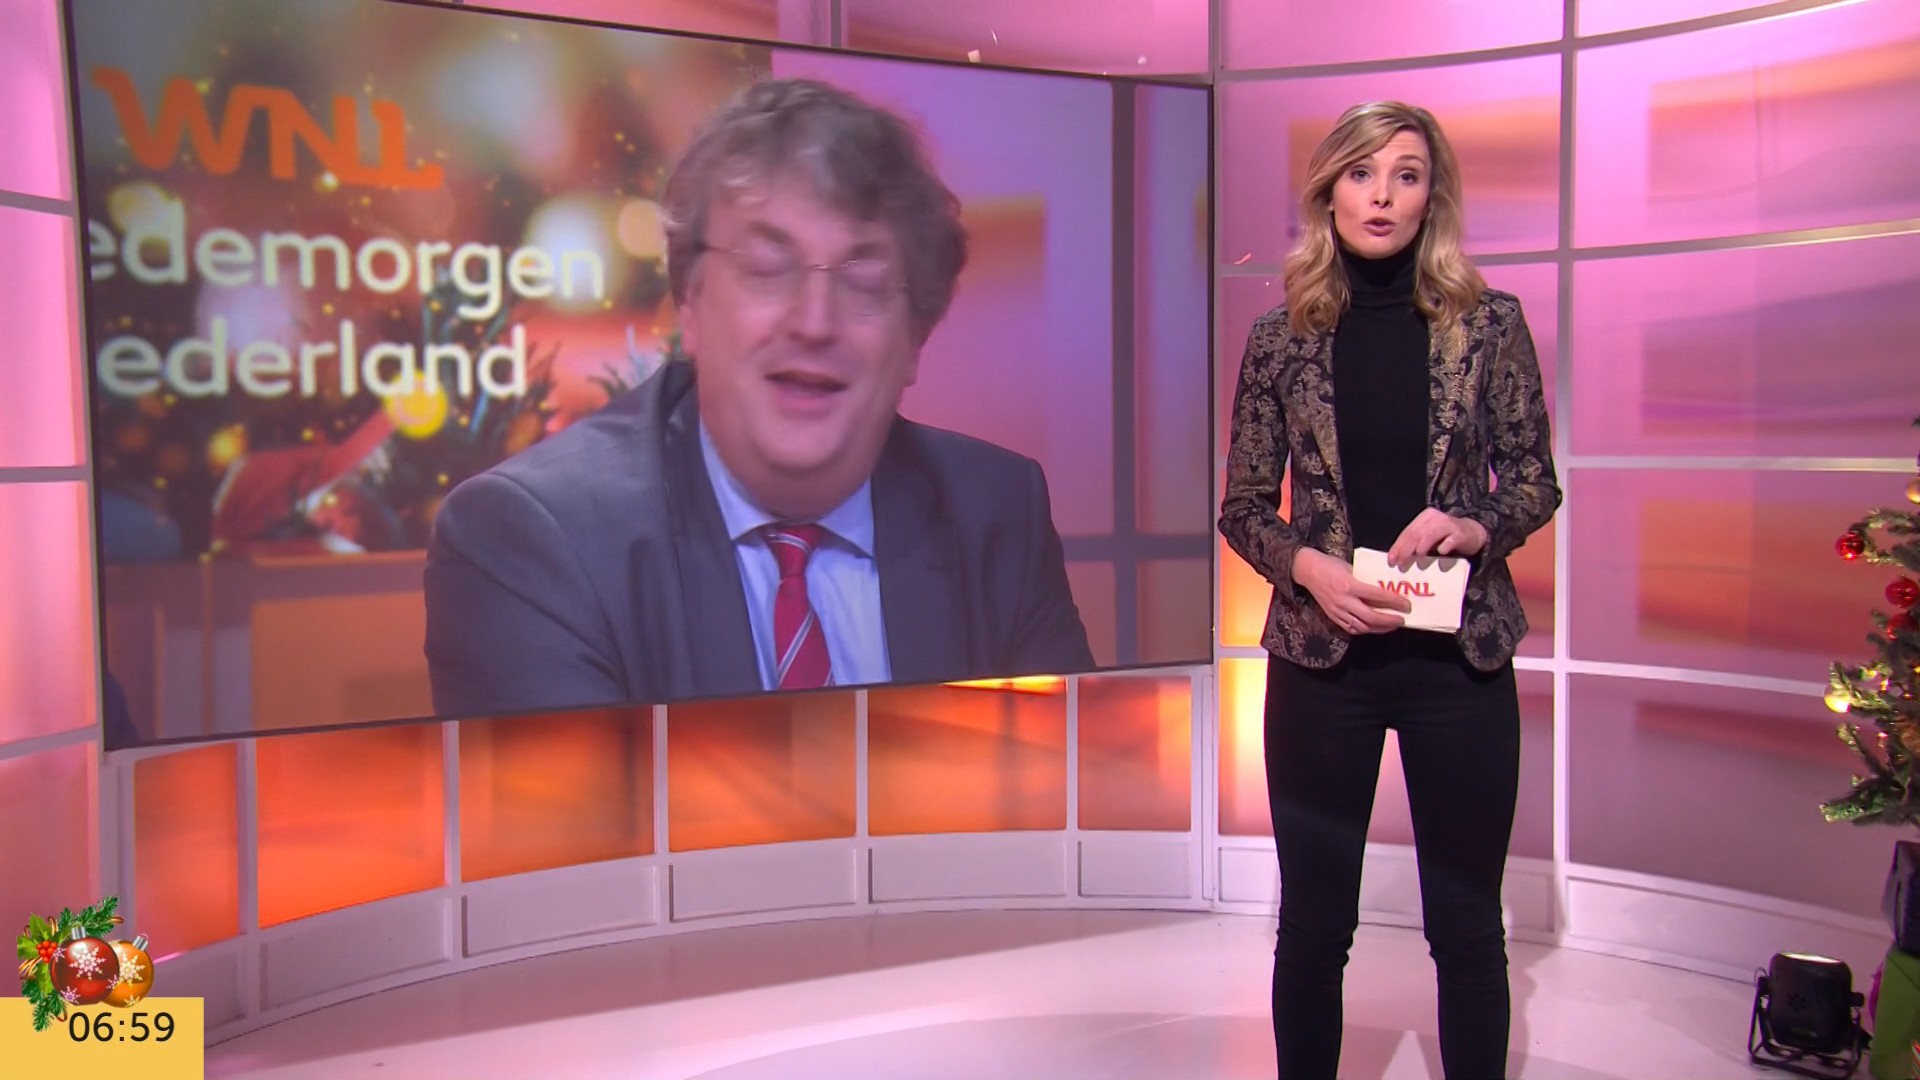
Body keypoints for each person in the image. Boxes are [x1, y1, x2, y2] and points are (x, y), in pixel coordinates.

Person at [424, 77, 1094, 719]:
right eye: (768, 270)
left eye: (863, 281)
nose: (814, 322)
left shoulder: (995, 515)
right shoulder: (535, 539)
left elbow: (1070, 779)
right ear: (689, 305)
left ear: (916, 337)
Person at [1218, 101, 1561, 1080]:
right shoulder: (1280, 339)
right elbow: (1244, 506)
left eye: (1406, 175)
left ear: (1430, 196)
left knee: (1467, 925)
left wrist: (1476, 527)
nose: (1381, 195)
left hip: (1459, 664)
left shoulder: (1489, 325)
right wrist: (1309, 569)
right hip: (1324, 666)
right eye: (1361, 173)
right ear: (1328, 192)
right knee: (1314, 926)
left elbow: (1533, 480)